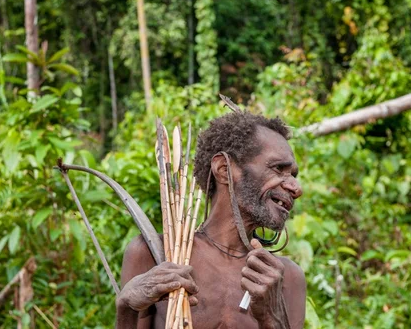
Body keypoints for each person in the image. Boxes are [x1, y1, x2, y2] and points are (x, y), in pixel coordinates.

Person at [115, 111, 306, 328]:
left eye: (293, 176)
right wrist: (126, 307)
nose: (296, 188)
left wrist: (273, 318)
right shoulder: (154, 253)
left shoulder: (286, 278)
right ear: (224, 170)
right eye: (278, 169)